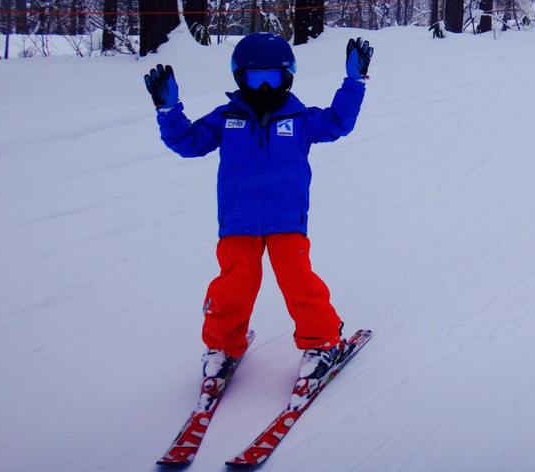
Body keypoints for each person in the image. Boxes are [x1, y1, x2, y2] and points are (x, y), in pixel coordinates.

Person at [144, 32, 373, 388]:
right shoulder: (226, 118)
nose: (265, 86)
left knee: (299, 283)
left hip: (286, 219)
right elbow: (186, 143)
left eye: (273, 77)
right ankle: (223, 346)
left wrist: (353, 82)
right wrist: (169, 111)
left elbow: (338, 123)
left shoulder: (300, 119)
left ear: (288, 76)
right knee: (233, 285)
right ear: (239, 77)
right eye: (255, 78)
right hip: (238, 220)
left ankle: (322, 342)